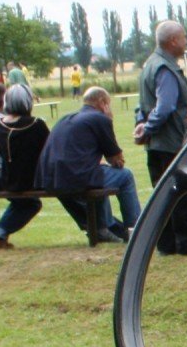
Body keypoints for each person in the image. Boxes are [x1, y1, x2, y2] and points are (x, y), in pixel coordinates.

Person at [36, 88, 141, 242]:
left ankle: (101, 229)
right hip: (78, 177)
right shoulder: (100, 119)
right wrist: (109, 119)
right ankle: (136, 229)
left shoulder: (66, 118)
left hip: (50, 178)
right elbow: (117, 161)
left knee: (99, 175)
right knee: (125, 176)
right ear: (103, 103)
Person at [134, 20, 187, 254]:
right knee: (182, 194)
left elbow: (142, 104)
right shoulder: (165, 68)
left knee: (161, 195)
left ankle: (166, 244)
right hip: (173, 142)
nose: (186, 41)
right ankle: (184, 244)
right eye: (183, 37)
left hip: (156, 144)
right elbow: (165, 107)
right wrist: (149, 127)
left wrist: (141, 126)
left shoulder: (149, 65)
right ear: (173, 41)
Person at [0, 84, 48, 249]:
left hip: (7, 179)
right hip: (32, 179)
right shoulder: (36, 124)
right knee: (32, 203)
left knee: (23, 203)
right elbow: (48, 150)